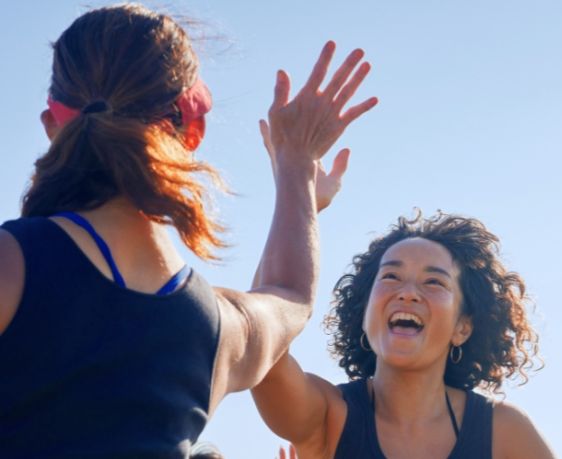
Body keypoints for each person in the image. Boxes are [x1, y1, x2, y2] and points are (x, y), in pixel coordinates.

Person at [0, 3, 376, 457]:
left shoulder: (13, 264)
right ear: (192, 129)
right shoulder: (215, 329)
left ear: (53, 126)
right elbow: (290, 294)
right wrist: (295, 166)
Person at [252, 213, 556, 458]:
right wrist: (303, 204)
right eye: (391, 276)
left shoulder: (503, 431)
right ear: (365, 312)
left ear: (462, 327)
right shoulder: (330, 415)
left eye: (434, 282)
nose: (408, 293)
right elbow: (261, 349)